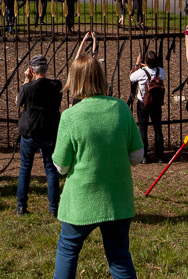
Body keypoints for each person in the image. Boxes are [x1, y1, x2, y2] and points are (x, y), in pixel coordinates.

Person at [51, 54, 144, 279]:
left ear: (74, 80)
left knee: (68, 249)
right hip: (117, 200)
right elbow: (137, 156)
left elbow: (61, 167)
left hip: (81, 201)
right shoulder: (121, 108)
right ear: (101, 77)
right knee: (119, 255)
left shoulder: (70, 117)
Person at [15, 54, 62, 217]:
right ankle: (54, 208)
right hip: (48, 132)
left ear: (31, 70)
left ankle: (21, 206)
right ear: (46, 68)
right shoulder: (56, 85)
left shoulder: (28, 87)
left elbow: (18, 102)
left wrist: (26, 80)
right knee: (51, 169)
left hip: (30, 132)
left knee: (25, 168)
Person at [128, 49, 165, 163]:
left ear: (146, 62)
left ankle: (144, 156)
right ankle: (159, 156)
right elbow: (155, 71)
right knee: (158, 129)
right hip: (156, 104)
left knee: (143, 129)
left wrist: (137, 64)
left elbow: (131, 77)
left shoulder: (141, 72)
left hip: (143, 103)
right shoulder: (160, 71)